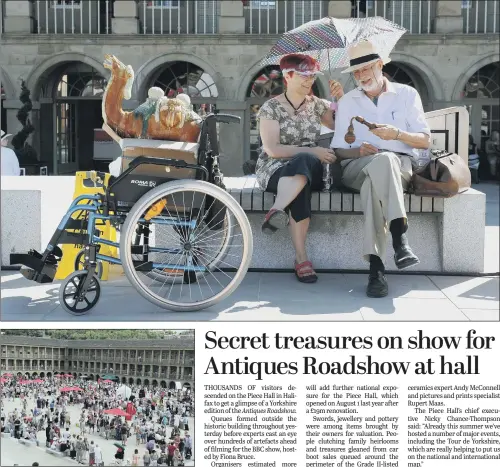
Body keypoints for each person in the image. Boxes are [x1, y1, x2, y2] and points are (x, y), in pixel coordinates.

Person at [331, 40, 430, 297]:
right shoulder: (348, 102)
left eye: (366, 68)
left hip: (400, 167)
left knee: (380, 174)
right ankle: (400, 240)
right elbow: (339, 151)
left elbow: (424, 140)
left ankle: (376, 270)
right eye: (356, 72)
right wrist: (358, 151)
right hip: (357, 166)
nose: (361, 75)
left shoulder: (407, 95)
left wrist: (397, 134)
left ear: (380, 64)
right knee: (380, 163)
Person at [257, 53, 343, 282]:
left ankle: (276, 209)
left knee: (304, 163)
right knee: (301, 184)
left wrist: (340, 101)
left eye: (313, 76)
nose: (310, 81)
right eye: (304, 76)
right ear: (288, 76)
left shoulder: (317, 105)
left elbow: (341, 127)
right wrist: (312, 151)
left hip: (310, 166)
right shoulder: (270, 108)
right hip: (275, 167)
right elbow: (273, 149)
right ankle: (301, 257)